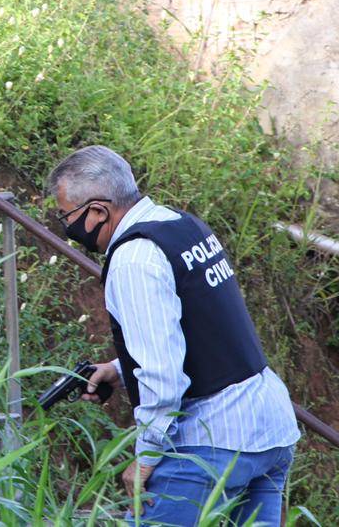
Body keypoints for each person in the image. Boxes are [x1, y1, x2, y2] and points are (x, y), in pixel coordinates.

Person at [46, 145, 300, 526]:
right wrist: (119, 368)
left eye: (67, 216)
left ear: (98, 212)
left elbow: (163, 379)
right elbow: (202, 325)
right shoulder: (181, 225)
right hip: (270, 426)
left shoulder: (134, 259)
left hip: (212, 439)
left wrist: (145, 461)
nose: (67, 229)